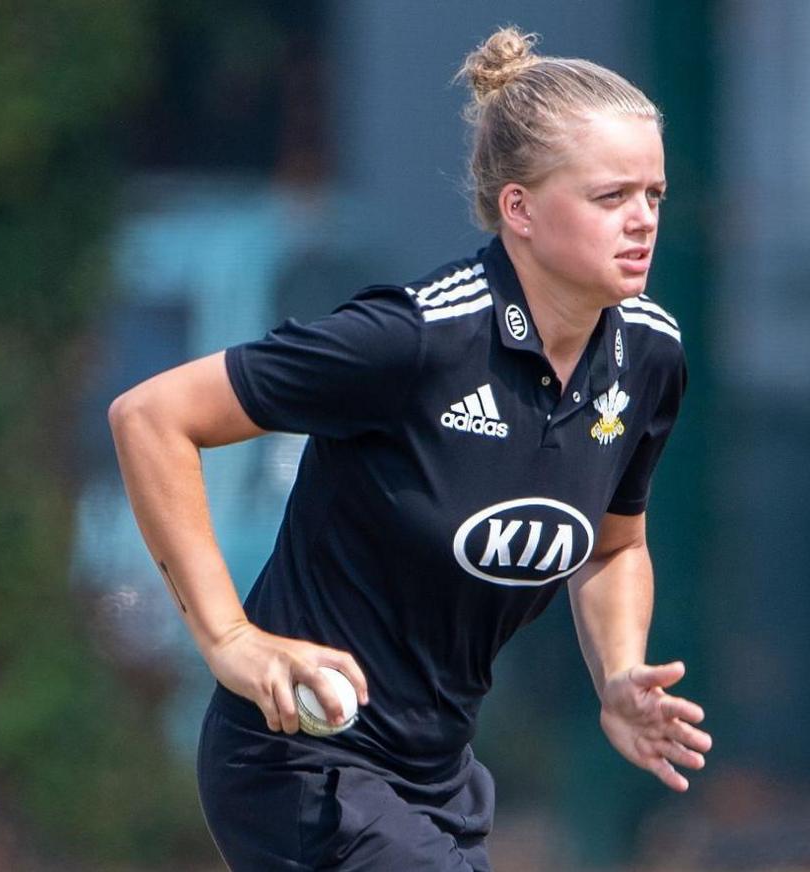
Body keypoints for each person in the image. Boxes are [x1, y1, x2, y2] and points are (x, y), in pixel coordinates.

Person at [108, 26, 711, 870]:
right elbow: (151, 416)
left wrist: (618, 673)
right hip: (299, 764)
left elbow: (613, 548)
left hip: (438, 780)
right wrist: (230, 639)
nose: (642, 219)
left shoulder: (649, 355)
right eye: (610, 197)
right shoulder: (413, 339)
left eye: (654, 193)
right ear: (520, 209)